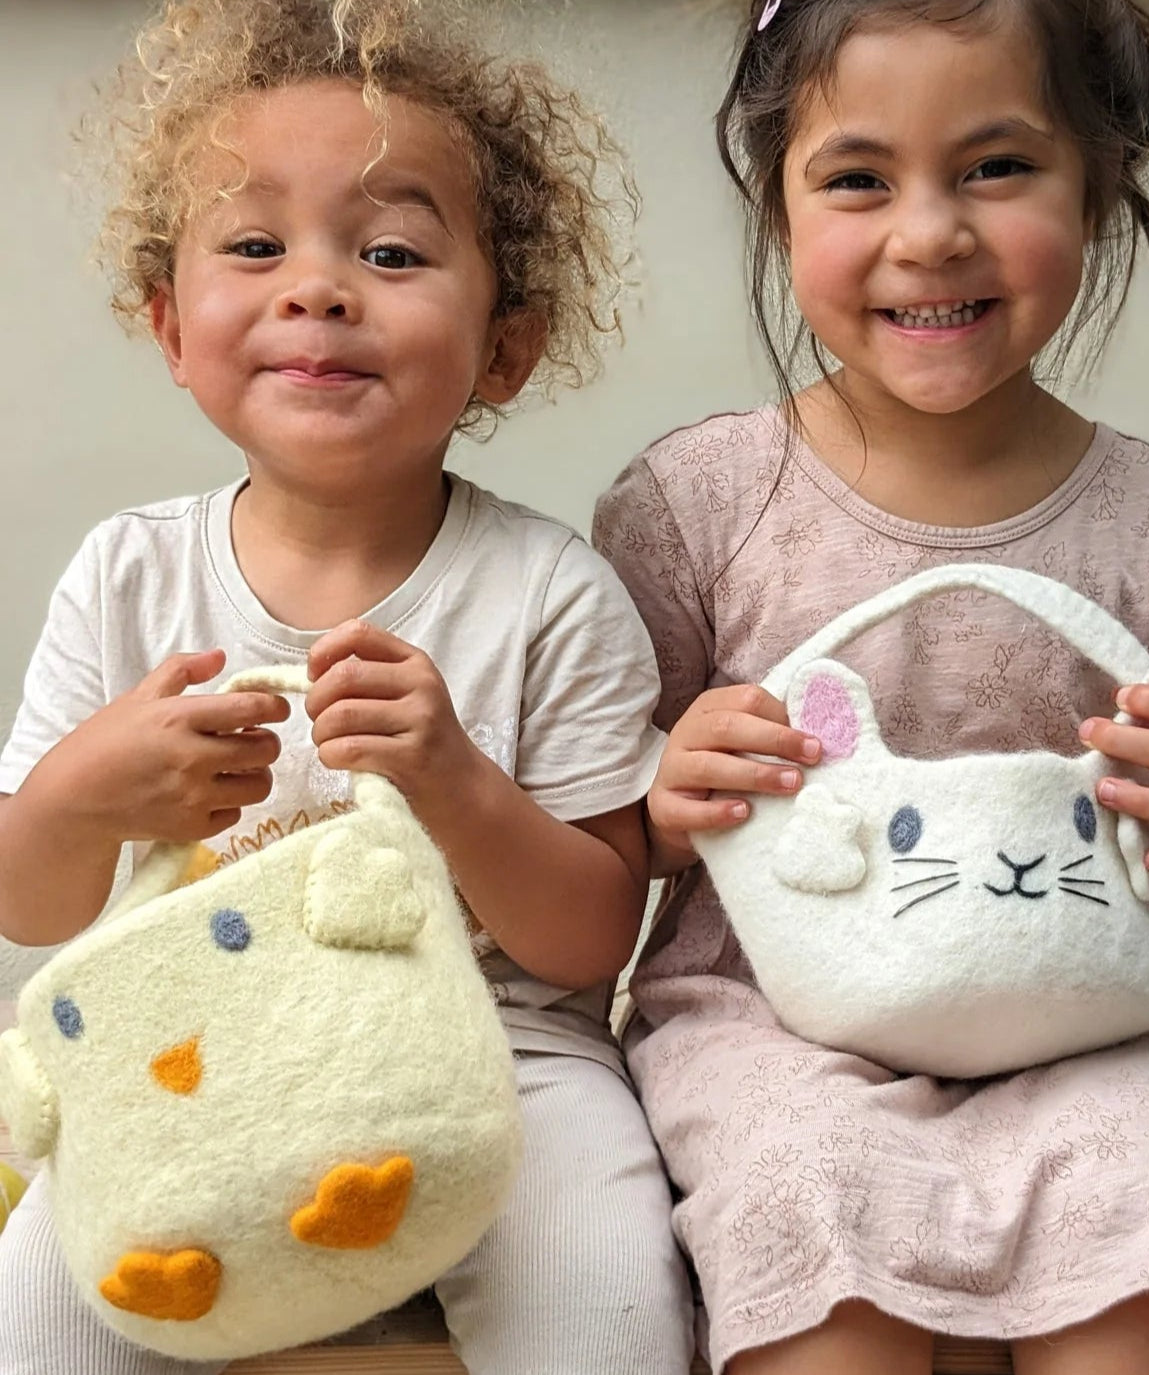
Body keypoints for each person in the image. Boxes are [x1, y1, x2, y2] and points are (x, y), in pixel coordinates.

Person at [593, 1, 1149, 1372]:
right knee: (811, 1223)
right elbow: (603, 844)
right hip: (773, 1027)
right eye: (859, 179)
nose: (929, 233)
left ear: (1097, 187)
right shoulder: (694, 505)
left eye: (996, 166)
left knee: (1148, 1234)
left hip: (1088, 1033)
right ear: (778, 208)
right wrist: (664, 797)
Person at [0, 3, 693, 1373]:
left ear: (505, 346)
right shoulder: (128, 575)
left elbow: (589, 941)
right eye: (255, 246)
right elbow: (29, 904)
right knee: (41, 1307)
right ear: (172, 327)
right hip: (189, 1047)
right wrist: (85, 797)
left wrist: (457, 785)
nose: (316, 288)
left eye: (390, 252)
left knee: (609, 1295)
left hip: (499, 1053)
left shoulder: (550, 592)